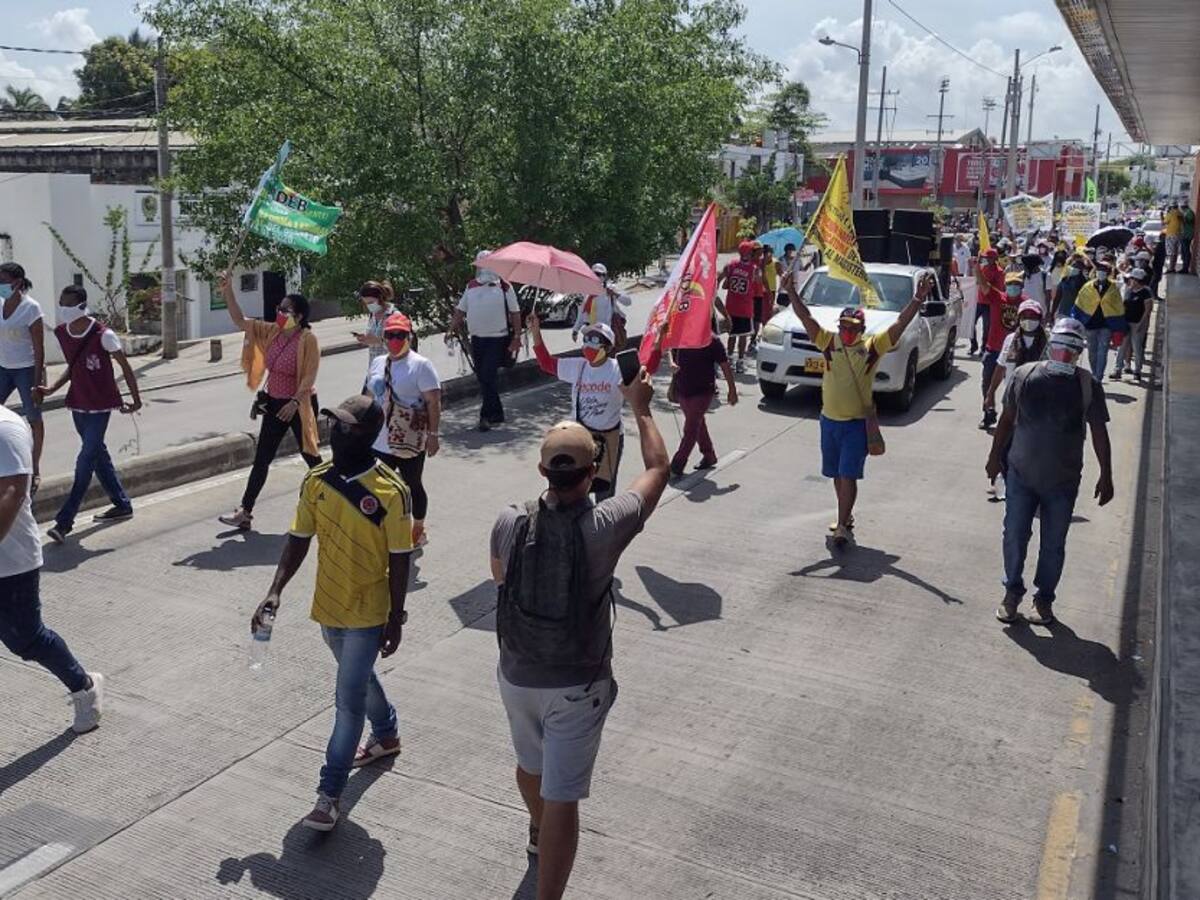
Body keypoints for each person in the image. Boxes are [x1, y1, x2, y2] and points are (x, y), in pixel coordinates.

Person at [490, 370, 669, 900]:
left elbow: (501, 579)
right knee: (563, 798)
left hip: (517, 673)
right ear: (593, 473)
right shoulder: (606, 525)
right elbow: (660, 467)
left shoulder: (509, 519)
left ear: (542, 470)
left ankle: (536, 827)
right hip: (577, 682)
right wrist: (641, 408)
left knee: (530, 767)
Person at [252, 395, 414, 832]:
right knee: (356, 678)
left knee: (346, 702)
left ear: (368, 435)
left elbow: (401, 557)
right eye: (334, 424)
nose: (335, 432)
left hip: (367, 610)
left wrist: (395, 616)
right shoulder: (317, 480)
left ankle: (329, 795)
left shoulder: (391, 491)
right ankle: (387, 732)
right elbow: (298, 538)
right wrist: (275, 590)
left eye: (346, 426)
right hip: (328, 606)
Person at [783, 271, 931, 544]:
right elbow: (806, 318)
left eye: (852, 328)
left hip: (855, 424)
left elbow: (899, 324)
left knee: (848, 474)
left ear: (861, 330)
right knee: (836, 475)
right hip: (828, 421)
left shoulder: (872, 348)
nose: (847, 332)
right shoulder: (828, 343)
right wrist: (791, 291)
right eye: (844, 327)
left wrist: (917, 300)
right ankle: (845, 515)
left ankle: (841, 524)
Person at [987, 318, 1113, 626]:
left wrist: (1106, 474)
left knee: (1053, 544)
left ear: (1079, 352)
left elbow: (1098, 431)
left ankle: (1044, 599)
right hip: (1020, 473)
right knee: (1014, 535)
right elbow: (1006, 420)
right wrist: (993, 457)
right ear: (1050, 347)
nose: (1065, 355)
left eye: (1072, 350)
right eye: (1060, 348)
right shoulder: (1024, 376)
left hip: (1063, 480)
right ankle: (1012, 592)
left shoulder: (1087, 386)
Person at [0, 404, 103, 734]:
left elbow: (12, 493)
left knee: (27, 639)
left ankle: (84, 686)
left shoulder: (6, 428)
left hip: (11, 563)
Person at [36, 286, 141, 544]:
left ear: (81, 305)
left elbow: (126, 368)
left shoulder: (104, 335)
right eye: (60, 302)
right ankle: (121, 504)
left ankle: (64, 523)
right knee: (97, 454)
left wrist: (136, 400)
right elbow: (74, 368)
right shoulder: (62, 333)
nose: (62, 307)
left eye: (66, 303)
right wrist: (51, 389)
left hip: (100, 406)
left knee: (85, 461)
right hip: (77, 404)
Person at [217, 275, 321, 531]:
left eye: (285, 310)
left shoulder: (308, 339)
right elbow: (240, 321)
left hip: (299, 404)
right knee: (262, 458)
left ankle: (330, 503)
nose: (279, 312)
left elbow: (309, 375)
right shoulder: (272, 332)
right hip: (275, 403)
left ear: (298, 315)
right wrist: (228, 291)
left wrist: (295, 402)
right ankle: (245, 510)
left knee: (311, 457)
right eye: (279, 308)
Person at [530, 313, 626, 501]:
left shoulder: (617, 369)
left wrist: (657, 343)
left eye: (594, 340)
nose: (588, 344)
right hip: (581, 437)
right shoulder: (578, 367)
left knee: (604, 492)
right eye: (586, 339)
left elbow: (646, 371)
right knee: (574, 488)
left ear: (607, 346)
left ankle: (601, 527)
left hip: (609, 439)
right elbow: (546, 363)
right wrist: (535, 331)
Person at [366, 312, 441, 546]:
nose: (395, 339)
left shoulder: (421, 366)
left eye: (400, 335)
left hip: (409, 439)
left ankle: (418, 527)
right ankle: (383, 530)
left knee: (412, 485)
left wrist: (433, 435)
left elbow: (433, 402)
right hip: (379, 439)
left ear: (409, 336)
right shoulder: (378, 363)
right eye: (390, 335)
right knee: (377, 487)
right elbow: (368, 397)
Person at [450, 251, 522, 432]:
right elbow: (460, 310)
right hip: (477, 339)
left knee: (487, 375)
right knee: (484, 377)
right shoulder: (471, 286)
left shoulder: (505, 287)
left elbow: (515, 313)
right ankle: (497, 412)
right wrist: (451, 329)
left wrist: (517, 338)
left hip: (498, 339)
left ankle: (485, 416)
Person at [668, 326, 738, 478]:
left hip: (702, 391)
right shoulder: (682, 333)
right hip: (683, 389)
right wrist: (671, 363)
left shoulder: (712, 340)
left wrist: (732, 390)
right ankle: (709, 455)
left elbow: (725, 365)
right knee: (697, 423)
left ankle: (677, 465)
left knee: (691, 428)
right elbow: (670, 349)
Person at [0, 263, 45, 493]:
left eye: (3, 280)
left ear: (17, 282)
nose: (0, 285)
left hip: (26, 370)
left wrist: (38, 383)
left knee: (34, 418)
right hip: (3, 368)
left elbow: (39, 348)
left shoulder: (31, 308)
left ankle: (34, 469)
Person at [1065, 261, 1126, 382]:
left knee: (1102, 351)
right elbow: (1079, 303)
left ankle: (1098, 377)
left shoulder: (1113, 288)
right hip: (1090, 324)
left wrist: (1118, 326)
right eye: (1099, 270)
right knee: (1092, 352)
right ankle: (1094, 374)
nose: (1101, 273)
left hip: (1106, 325)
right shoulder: (1088, 286)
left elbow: (1118, 307)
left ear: (1108, 273)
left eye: (1103, 271)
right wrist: (1076, 320)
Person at [985, 299, 1048, 414]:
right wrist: (991, 392)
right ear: (1019, 319)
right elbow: (1001, 367)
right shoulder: (1010, 340)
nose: (1028, 320)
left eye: (1033, 316)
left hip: (1040, 399)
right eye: (1025, 316)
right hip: (1012, 397)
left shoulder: (1049, 343)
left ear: (1040, 318)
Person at [979, 273, 1024, 430]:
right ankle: (988, 413)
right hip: (994, 349)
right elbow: (983, 284)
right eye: (1010, 284)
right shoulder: (997, 297)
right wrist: (977, 268)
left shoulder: (1025, 304)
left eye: (1016, 285)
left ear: (1021, 287)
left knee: (1013, 387)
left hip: (1015, 352)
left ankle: (1012, 418)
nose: (1013, 287)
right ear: (1005, 286)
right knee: (987, 383)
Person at [719, 241, 759, 373]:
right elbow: (759, 282)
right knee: (743, 335)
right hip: (745, 307)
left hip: (730, 306)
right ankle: (740, 361)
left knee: (732, 334)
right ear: (749, 253)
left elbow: (719, 280)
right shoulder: (754, 269)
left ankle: (729, 358)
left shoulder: (731, 265)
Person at [572, 263, 631, 349]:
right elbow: (582, 313)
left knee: (609, 356)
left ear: (605, 277)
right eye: (595, 274)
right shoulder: (587, 292)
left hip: (608, 332)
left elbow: (628, 302)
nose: (597, 277)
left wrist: (615, 294)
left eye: (600, 275)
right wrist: (575, 330)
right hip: (592, 332)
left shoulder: (610, 289)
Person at [1113, 267, 1153, 381]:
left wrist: (1141, 324)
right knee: (1122, 347)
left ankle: (1137, 371)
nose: (1130, 281)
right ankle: (1118, 369)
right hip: (1126, 322)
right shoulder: (1129, 290)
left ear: (1137, 280)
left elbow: (1147, 310)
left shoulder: (1146, 293)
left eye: (1132, 279)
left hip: (1138, 324)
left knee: (1137, 347)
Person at [353, 280, 396, 379]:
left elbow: (402, 344)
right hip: (375, 370)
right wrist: (365, 339)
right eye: (366, 303)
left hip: (391, 371)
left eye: (371, 302)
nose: (369, 306)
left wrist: (379, 340)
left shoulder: (394, 315)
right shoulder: (372, 315)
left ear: (380, 298)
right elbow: (373, 337)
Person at [972, 247, 1003, 355]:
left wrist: (984, 282)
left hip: (990, 304)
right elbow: (977, 280)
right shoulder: (983, 268)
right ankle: (973, 345)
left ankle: (983, 348)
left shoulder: (999, 272)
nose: (987, 259)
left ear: (994, 259)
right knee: (971, 324)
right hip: (979, 301)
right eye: (986, 257)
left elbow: (998, 289)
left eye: (989, 258)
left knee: (987, 328)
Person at [1051, 253, 1087, 320]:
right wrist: (1052, 312)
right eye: (1074, 265)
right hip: (1062, 314)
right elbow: (1057, 297)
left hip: (1076, 316)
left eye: (1078, 266)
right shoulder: (1064, 280)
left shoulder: (1085, 283)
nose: (1075, 268)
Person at [1163, 201, 1184, 272]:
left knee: (1171, 252)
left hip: (1171, 234)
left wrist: (1162, 216)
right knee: (1175, 252)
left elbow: (1164, 222)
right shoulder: (1180, 213)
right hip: (1179, 234)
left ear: (1172, 207)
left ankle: (1171, 268)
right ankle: (1173, 267)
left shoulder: (1171, 213)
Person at [1182, 199, 1195, 274]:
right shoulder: (1186, 212)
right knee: (1184, 251)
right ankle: (1184, 267)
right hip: (1184, 234)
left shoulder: (1189, 212)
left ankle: (1186, 268)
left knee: (1186, 251)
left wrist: (1183, 219)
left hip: (1188, 234)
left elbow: (1190, 220)